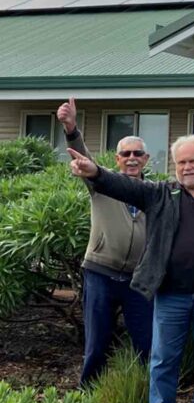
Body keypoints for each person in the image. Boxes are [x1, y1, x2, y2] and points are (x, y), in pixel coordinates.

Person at [68, 134, 194, 403]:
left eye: (193, 161)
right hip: (170, 294)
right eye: (181, 162)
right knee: (163, 360)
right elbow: (121, 185)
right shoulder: (161, 194)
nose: (187, 167)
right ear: (174, 166)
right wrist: (94, 172)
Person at [57, 98, 152, 386]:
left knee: (146, 346)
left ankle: (142, 402)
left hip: (137, 280)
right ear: (117, 159)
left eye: (138, 153)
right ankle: (87, 400)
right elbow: (84, 159)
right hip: (100, 273)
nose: (132, 158)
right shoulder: (102, 183)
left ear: (146, 159)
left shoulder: (154, 193)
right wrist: (71, 128)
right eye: (126, 154)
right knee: (97, 345)